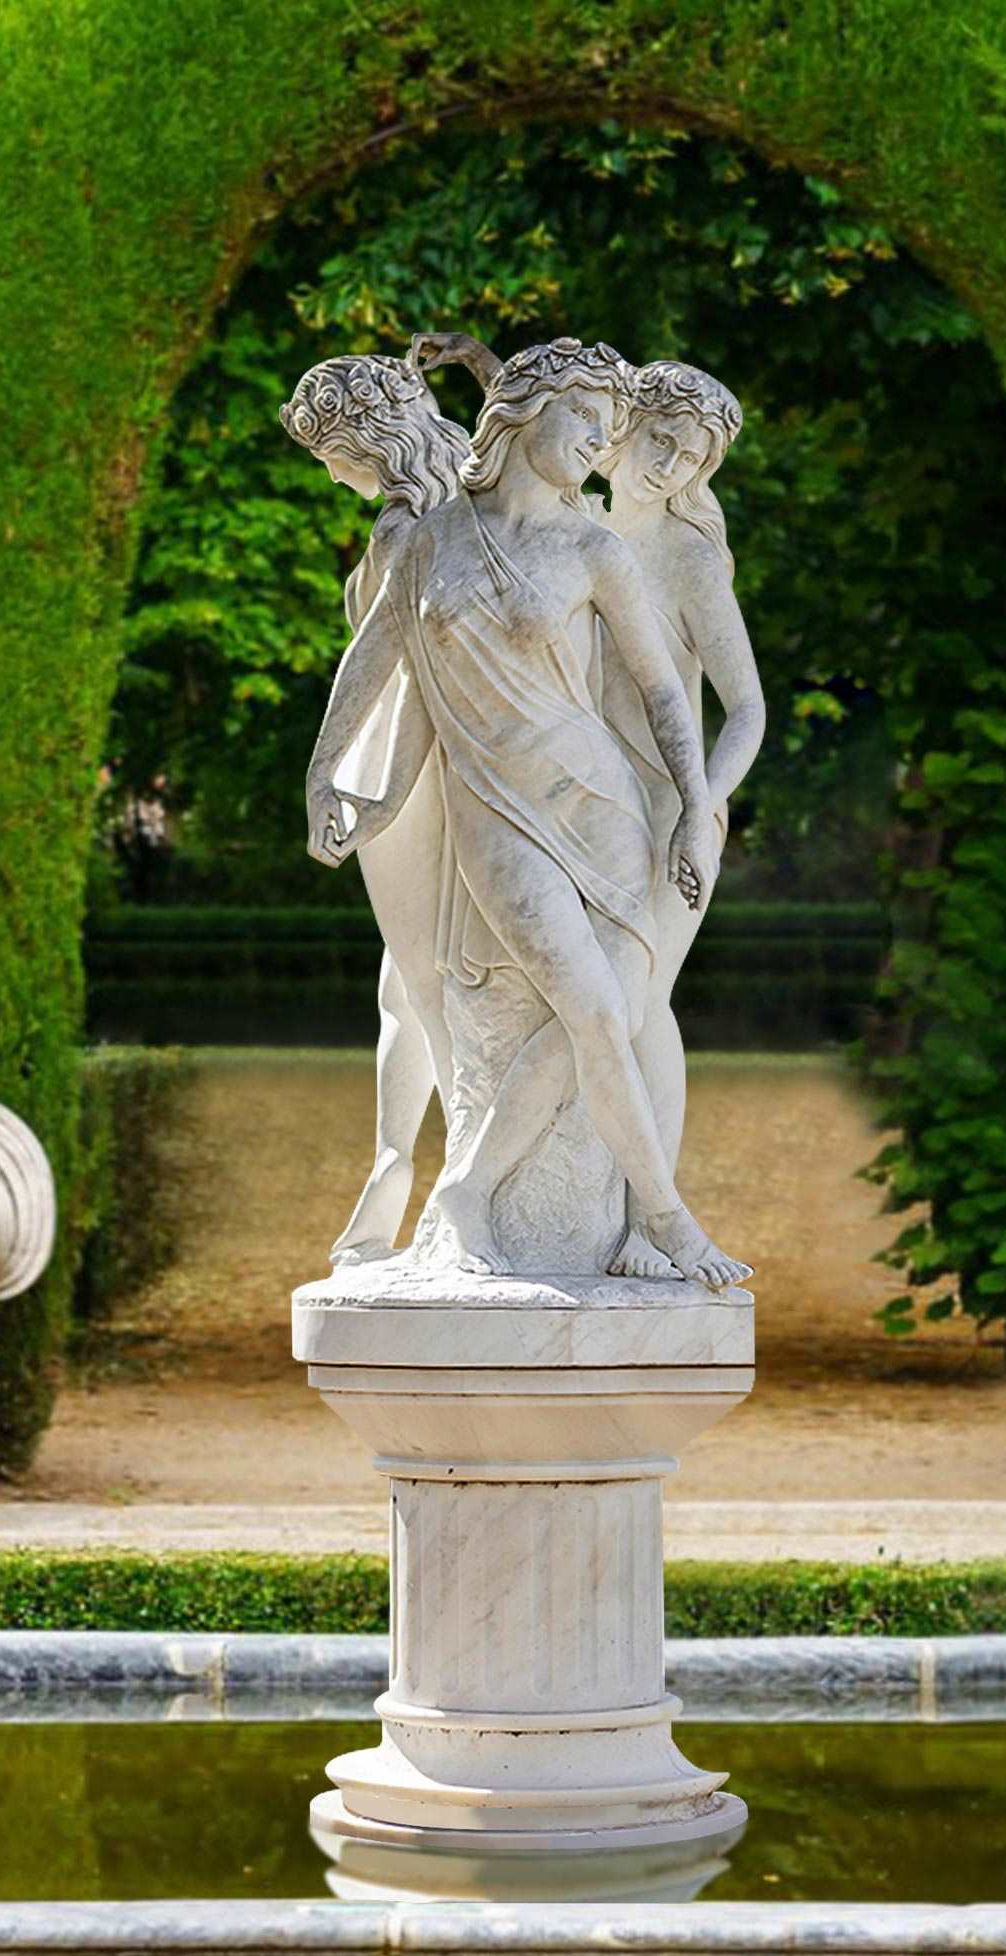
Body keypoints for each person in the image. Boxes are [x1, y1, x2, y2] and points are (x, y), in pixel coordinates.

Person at [303, 338, 749, 1290]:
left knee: (615, 1009)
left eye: (605, 423)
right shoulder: (426, 542)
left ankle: (465, 1195)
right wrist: (329, 777)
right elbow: (379, 667)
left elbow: (666, 694)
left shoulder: (593, 548)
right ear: (518, 414)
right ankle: (670, 1219)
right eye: (581, 417)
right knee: (589, 1006)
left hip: (605, 809)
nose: (598, 440)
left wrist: (690, 813)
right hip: (498, 815)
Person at [278, 353, 467, 1264]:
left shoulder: (404, 529)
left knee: (421, 989)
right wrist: (479, 363)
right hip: (460, 766)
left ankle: (437, 1181)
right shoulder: (480, 488)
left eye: (332, 453)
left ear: (371, 442)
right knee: (415, 988)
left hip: (405, 774)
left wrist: (331, 777)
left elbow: (375, 667)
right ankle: (400, 1185)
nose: (329, 473)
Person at [593, 361, 767, 1277]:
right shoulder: (571, 530)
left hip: (667, 811)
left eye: (690, 456)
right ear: (621, 426)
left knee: (638, 1007)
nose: (668, 464)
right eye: (659, 437)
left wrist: (701, 811)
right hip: (572, 808)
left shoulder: (687, 558)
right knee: (585, 1010)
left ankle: (647, 1221)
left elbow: (747, 709)